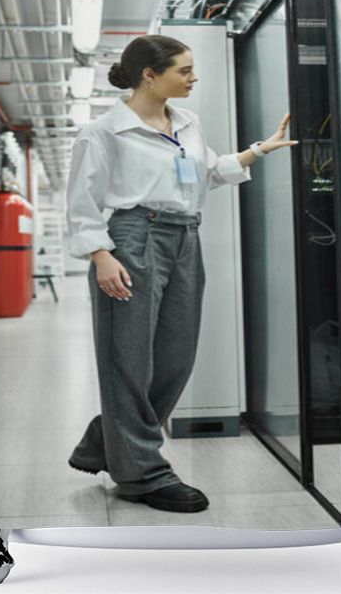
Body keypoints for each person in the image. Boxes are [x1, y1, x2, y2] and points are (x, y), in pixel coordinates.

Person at [65, 34, 298, 513]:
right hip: (131, 239)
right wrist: (102, 256)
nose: (194, 78)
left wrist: (260, 150)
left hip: (184, 238)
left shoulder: (186, 122)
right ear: (150, 76)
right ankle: (141, 474)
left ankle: (106, 439)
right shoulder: (104, 133)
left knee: (175, 358)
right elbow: (81, 204)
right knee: (126, 359)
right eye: (184, 70)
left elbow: (206, 171)